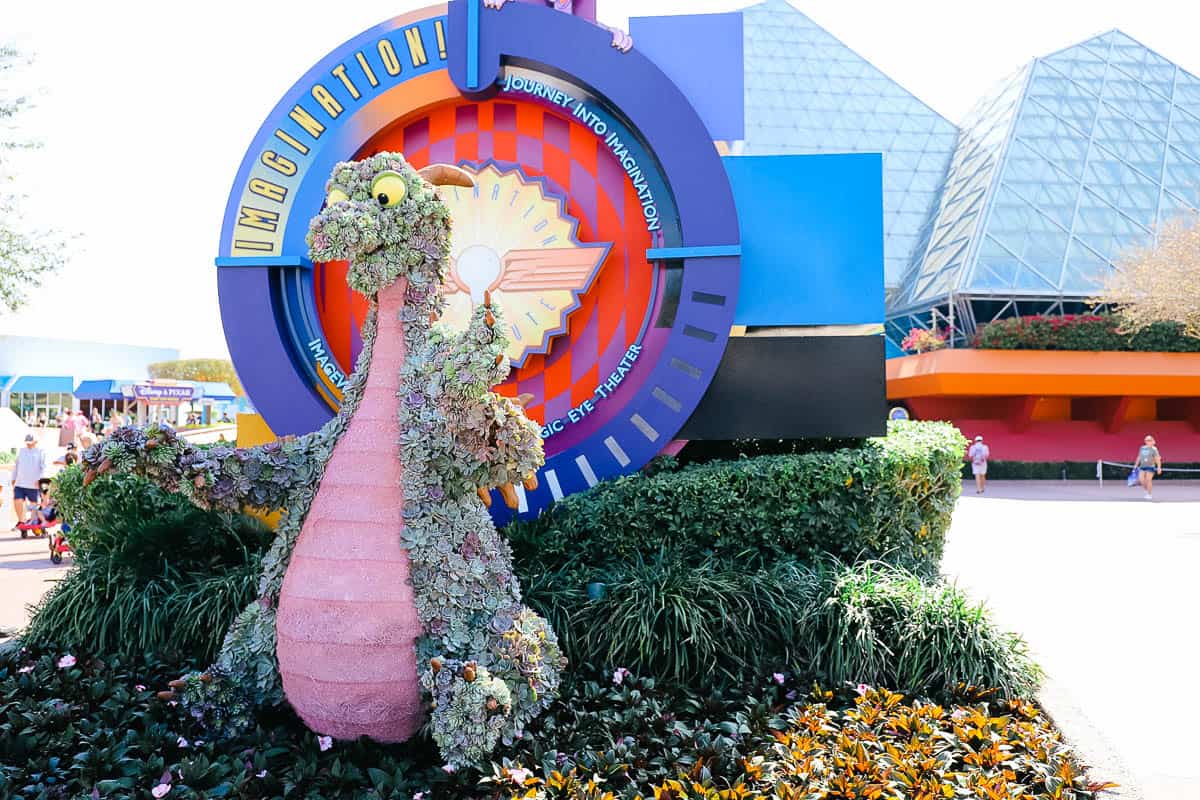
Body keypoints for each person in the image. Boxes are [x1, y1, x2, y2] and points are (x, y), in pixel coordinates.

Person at [11, 434, 47, 529]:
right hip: (20, 483)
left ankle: (33, 522)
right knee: (17, 501)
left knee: (34, 506)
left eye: (31, 443)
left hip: (33, 485)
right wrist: (13, 478)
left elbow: (44, 467)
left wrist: (40, 480)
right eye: (27, 443)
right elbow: (17, 465)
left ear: (36, 442)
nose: (29, 445)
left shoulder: (41, 451)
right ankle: (21, 521)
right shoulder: (22, 451)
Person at [1135, 435, 1162, 500]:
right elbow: (1139, 457)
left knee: (1148, 480)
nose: (1148, 441)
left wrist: (1159, 468)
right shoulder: (1142, 448)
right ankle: (1147, 490)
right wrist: (1135, 465)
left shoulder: (1154, 449)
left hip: (1150, 466)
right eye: (1146, 440)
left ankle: (1149, 494)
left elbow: (1157, 459)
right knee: (1141, 479)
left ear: (1152, 441)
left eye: (1149, 440)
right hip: (1142, 466)